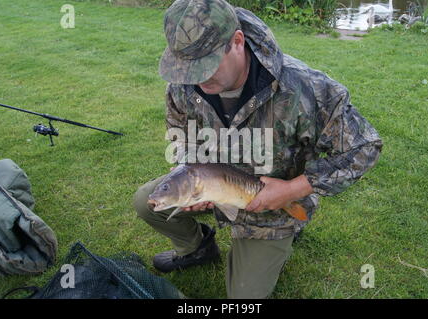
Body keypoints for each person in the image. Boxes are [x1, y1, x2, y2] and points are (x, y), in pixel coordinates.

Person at [133, 0, 383, 299]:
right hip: (213, 188)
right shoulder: (182, 85)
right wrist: (191, 178)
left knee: (244, 298)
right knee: (146, 201)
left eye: (205, 66)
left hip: (269, 207)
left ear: (237, 42)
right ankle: (197, 248)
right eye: (188, 68)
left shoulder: (305, 87)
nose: (196, 79)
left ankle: (287, 235)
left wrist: (291, 190)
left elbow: (364, 147)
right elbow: (183, 138)